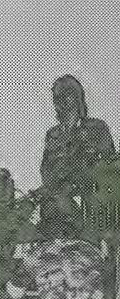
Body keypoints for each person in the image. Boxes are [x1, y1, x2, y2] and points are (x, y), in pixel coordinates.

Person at [39, 74, 115, 233]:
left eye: (67, 94)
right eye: (57, 97)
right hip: (59, 193)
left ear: (77, 96)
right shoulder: (52, 134)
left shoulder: (97, 127)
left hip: (91, 190)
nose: (61, 101)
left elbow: (110, 163)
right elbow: (45, 169)